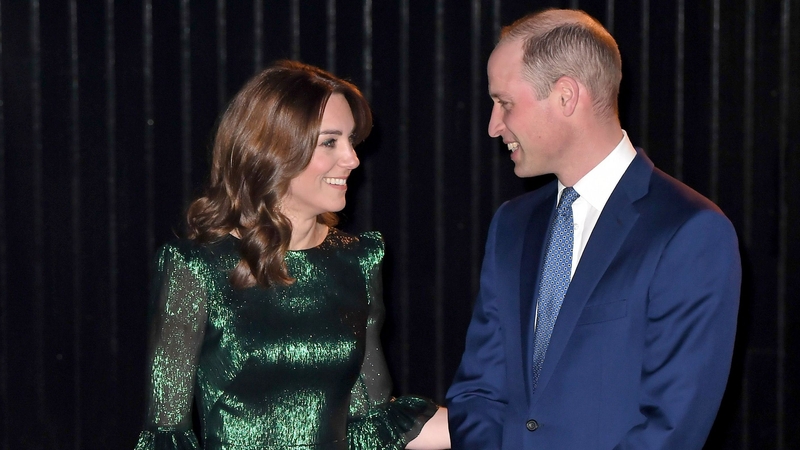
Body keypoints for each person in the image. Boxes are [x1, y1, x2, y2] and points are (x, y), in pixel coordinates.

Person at [446, 8, 740, 449]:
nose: (493, 126)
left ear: (566, 96)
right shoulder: (511, 224)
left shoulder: (690, 230)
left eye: (504, 103)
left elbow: (671, 427)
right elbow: (477, 392)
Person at [134, 60, 450, 450]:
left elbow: (373, 419)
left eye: (352, 140)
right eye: (330, 142)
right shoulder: (197, 267)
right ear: (273, 151)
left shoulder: (359, 260)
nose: (352, 158)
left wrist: (518, 421)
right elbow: (167, 431)